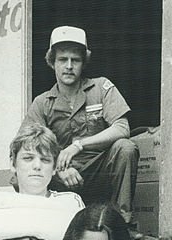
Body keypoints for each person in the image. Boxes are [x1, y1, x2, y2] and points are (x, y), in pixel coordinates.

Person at [23, 26, 139, 222]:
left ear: (83, 63)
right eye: (62, 59)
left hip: (100, 172)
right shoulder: (42, 102)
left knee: (125, 148)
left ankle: (123, 224)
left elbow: (122, 128)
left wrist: (78, 145)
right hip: (63, 177)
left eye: (75, 60)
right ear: (52, 62)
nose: (69, 66)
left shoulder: (101, 87)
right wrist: (58, 170)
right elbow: (28, 146)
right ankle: (35, 222)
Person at [9, 122, 84, 210]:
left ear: (54, 168)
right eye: (28, 158)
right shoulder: (0, 205)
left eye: (45, 160)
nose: (37, 166)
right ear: (13, 164)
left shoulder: (71, 203)